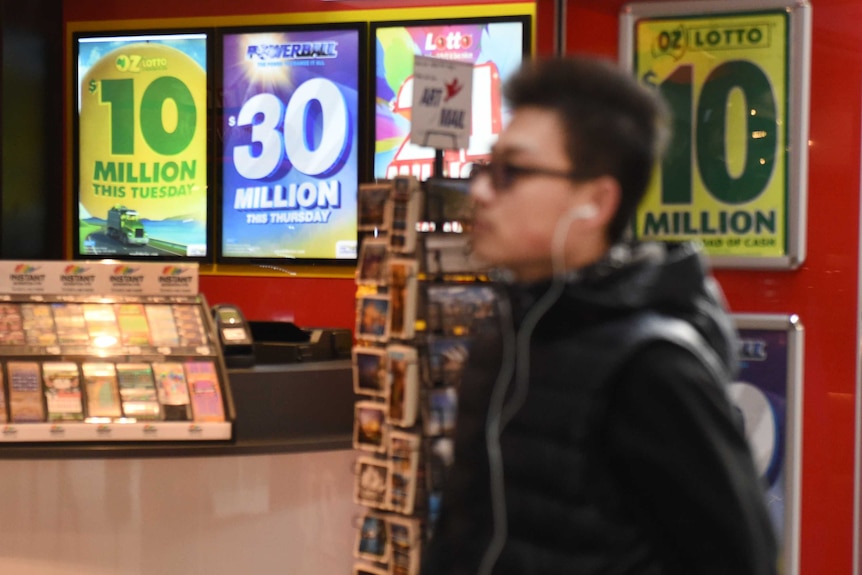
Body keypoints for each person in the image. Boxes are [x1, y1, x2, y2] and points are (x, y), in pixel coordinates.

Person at [421, 55, 778, 575]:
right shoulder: (504, 334)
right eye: (483, 168)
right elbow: (465, 531)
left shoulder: (650, 366)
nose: (478, 192)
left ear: (596, 201)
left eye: (510, 173)